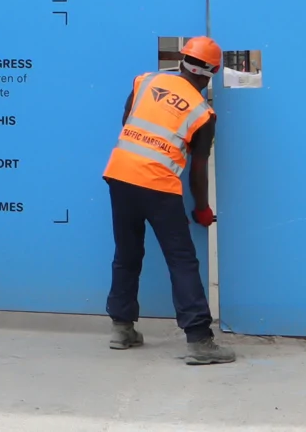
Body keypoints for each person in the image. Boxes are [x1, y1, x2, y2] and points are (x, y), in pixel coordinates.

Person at [100, 35, 234, 365]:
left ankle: (121, 328)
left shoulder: (146, 81)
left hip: (119, 173)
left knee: (127, 252)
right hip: (158, 184)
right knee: (181, 260)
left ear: (181, 61)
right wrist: (202, 210)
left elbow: (127, 120)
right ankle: (200, 341)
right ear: (212, 72)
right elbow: (198, 170)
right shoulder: (203, 114)